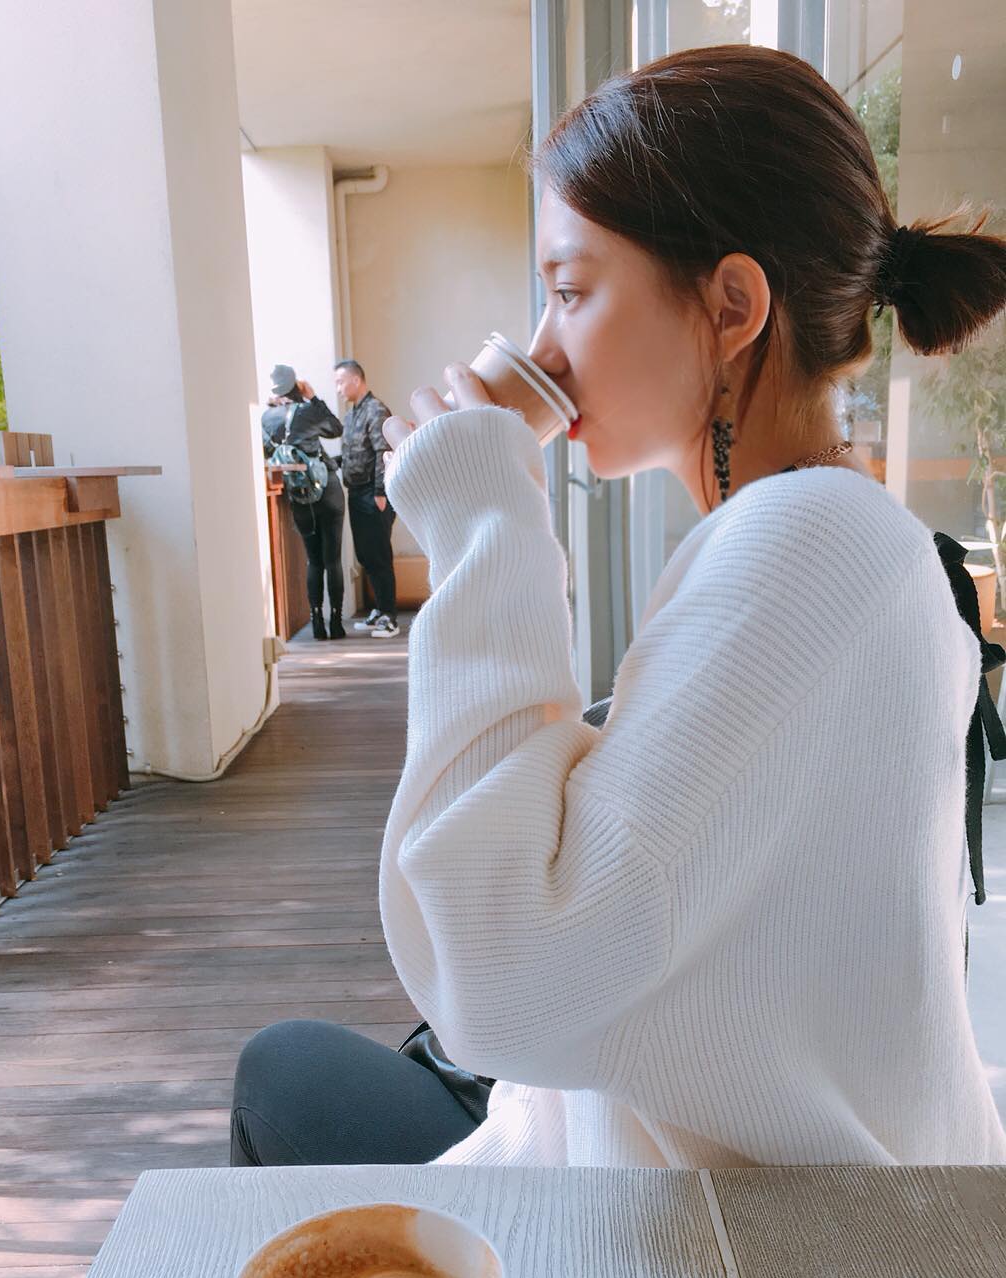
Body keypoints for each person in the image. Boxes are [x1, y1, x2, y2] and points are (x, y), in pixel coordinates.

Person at [231, 46, 1006, 1171]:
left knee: (284, 1071)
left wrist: (486, 522)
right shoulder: (836, 534)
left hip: (716, 1232)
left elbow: (493, 979)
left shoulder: (806, 546)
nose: (542, 347)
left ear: (732, 306)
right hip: (702, 1162)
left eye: (570, 290)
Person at [261, 364, 346, 640]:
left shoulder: (267, 418)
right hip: (328, 490)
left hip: (299, 495)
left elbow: (266, 451)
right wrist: (313, 397)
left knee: (314, 561)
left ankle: (316, 622)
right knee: (332, 560)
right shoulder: (308, 411)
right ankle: (336, 622)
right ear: (296, 386)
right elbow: (335, 428)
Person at [334, 359, 400, 638]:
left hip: (373, 494)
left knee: (379, 554)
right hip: (356, 491)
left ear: (356, 379)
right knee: (366, 554)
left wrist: (380, 492)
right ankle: (379, 610)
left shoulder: (375, 410)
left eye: (340, 382)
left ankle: (390, 617)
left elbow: (383, 452)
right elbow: (354, 454)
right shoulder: (351, 415)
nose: (338, 388)